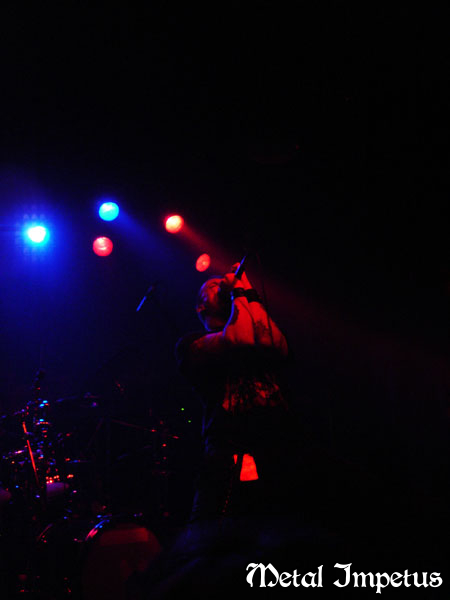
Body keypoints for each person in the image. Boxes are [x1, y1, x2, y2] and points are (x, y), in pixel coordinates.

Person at [175, 263, 298, 523]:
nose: (220, 284)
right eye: (212, 286)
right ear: (200, 307)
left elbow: (279, 344)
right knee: (213, 532)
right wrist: (236, 293)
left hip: (275, 449)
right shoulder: (190, 344)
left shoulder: (244, 311)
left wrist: (247, 288)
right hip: (228, 454)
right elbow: (237, 339)